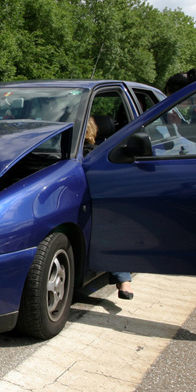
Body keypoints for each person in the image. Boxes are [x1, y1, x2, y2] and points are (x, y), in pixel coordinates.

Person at [84, 116, 134, 300]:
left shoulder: (100, 155)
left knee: (110, 227)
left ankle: (123, 278)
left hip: (97, 206)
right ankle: (124, 280)